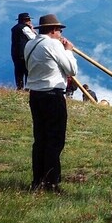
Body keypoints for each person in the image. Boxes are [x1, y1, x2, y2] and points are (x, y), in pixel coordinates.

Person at [24, 13, 78, 192]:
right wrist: (68, 50)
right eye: (60, 30)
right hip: (53, 95)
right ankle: (51, 182)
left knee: (40, 139)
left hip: (35, 95)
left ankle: (37, 180)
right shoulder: (53, 44)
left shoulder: (30, 44)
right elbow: (72, 69)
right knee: (55, 140)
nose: (61, 34)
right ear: (54, 30)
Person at [10, 12, 35, 90]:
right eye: (28, 19)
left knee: (18, 70)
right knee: (27, 70)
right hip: (24, 52)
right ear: (25, 20)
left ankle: (19, 86)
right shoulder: (25, 28)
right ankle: (28, 88)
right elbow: (33, 38)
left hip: (15, 52)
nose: (30, 21)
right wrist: (32, 30)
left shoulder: (14, 28)